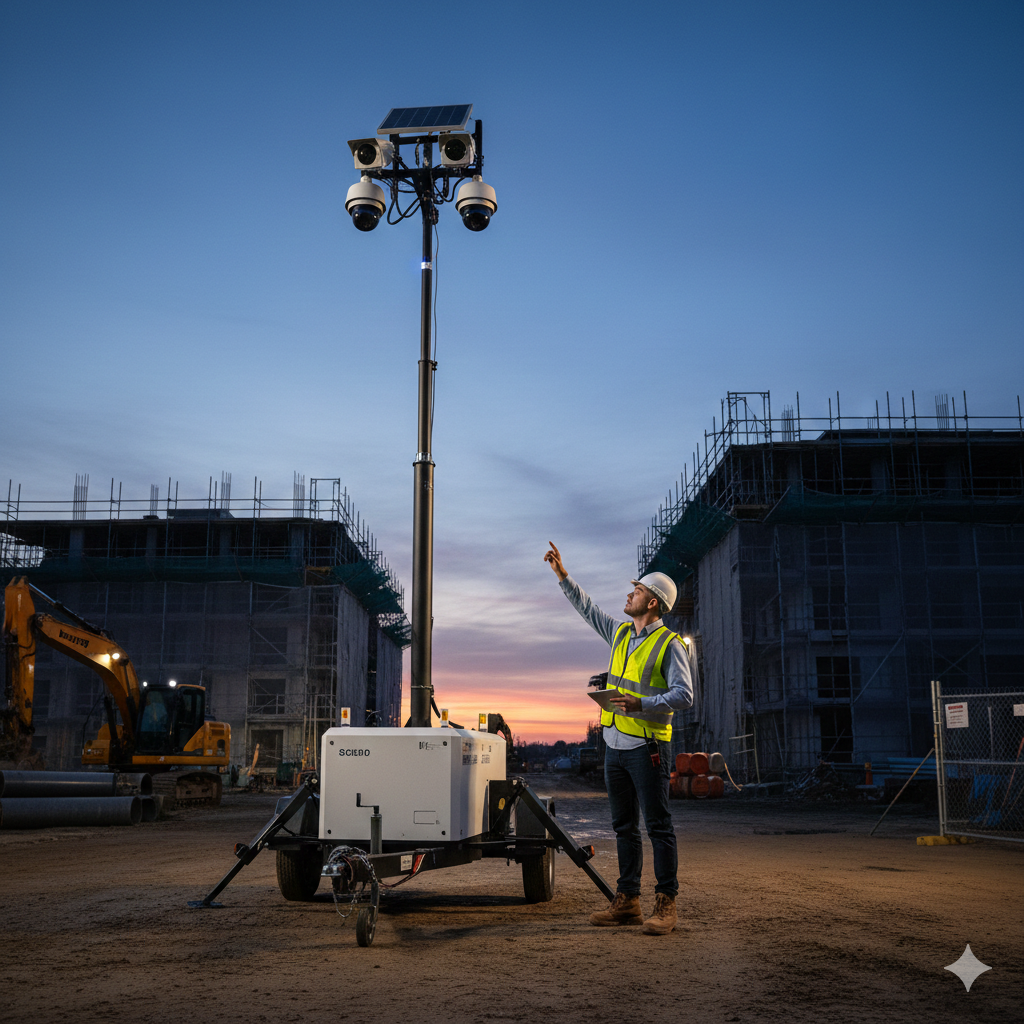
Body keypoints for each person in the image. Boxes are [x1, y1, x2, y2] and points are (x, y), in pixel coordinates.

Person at [544, 541, 693, 935]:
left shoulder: (670, 644)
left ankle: (667, 904)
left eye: (638, 591)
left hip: (648, 749)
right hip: (614, 747)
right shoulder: (622, 634)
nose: (630, 594)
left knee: (658, 826)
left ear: (654, 604)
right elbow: (589, 610)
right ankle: (628, 902)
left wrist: (641, 703)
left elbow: (685, 695)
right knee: (624, 827)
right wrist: (563, 575)